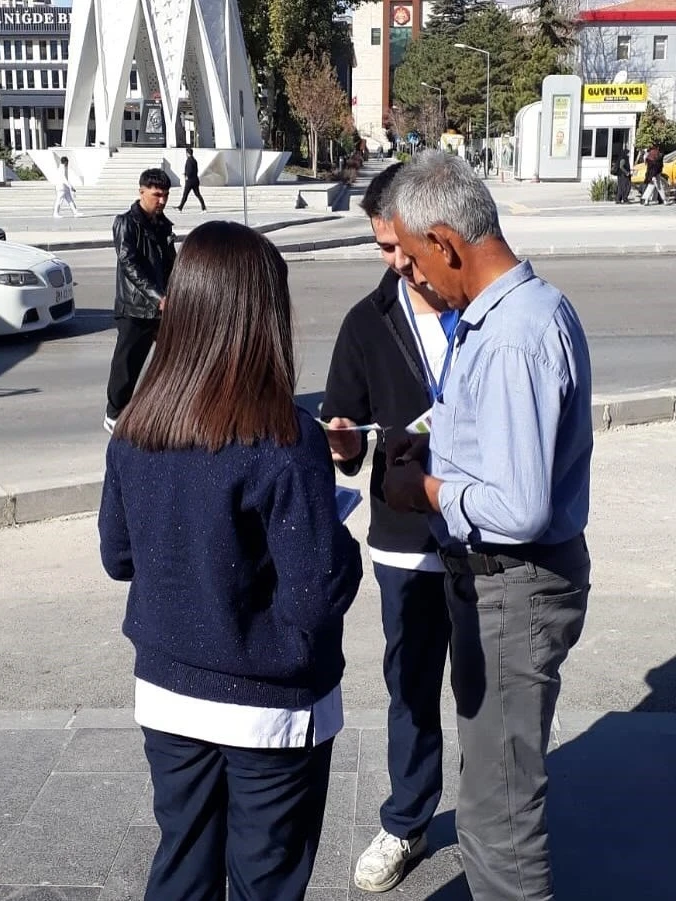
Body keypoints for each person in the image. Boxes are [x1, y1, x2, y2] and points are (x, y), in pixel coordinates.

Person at [99, 220, 364, 901]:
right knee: (266, 879)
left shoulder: (138, 426)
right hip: (269, 704)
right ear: (262, 317)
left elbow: (119, 556)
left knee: (180, 865)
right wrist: (341, 544)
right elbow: (314, 595)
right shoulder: (285, 437)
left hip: (168, 691)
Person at [379, 150, 593, 901]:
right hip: (503, 586)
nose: (410, 276)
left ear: (445, 243)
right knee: (492, 788)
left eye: (412, 260)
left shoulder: (510, 336)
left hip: (514, 585)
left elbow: (518, 507)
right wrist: (429, 445)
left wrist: (424, 489)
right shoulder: (509, 314)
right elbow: (491, 438)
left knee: (497, 817)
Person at [320, 163, 456, 894]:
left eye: (403, 243)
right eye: (382, 247)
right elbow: (344, 436)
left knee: (492, 689)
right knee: (410, 686)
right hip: (406, 538)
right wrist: (343, 442)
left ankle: (498, 822)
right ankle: (407, 819)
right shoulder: (366, 321)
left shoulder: (485, 303)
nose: (397, 260)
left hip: (491, 533)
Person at [104, 168, 176, 433]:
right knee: (127, 365)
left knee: (174, 359)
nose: (162, 201)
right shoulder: (126, 223)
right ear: (141, 191)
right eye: (157, 195)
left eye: (165, 195)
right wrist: (158, 298)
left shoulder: (163, 224)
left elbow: (171, 263)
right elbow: (129, 265)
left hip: (163, 307)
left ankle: (164, 410)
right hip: (135, 308)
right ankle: (114, 414)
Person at [177, 146, 206, 212]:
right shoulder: (194, 160)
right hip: (195, 180)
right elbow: (196, 170)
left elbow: (189, 170)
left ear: (187, 153)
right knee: (198, 194)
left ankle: (180, 208)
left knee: (185, 195)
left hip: (190, 181)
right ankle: (204, 208)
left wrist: (187, 176)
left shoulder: (189, 160)